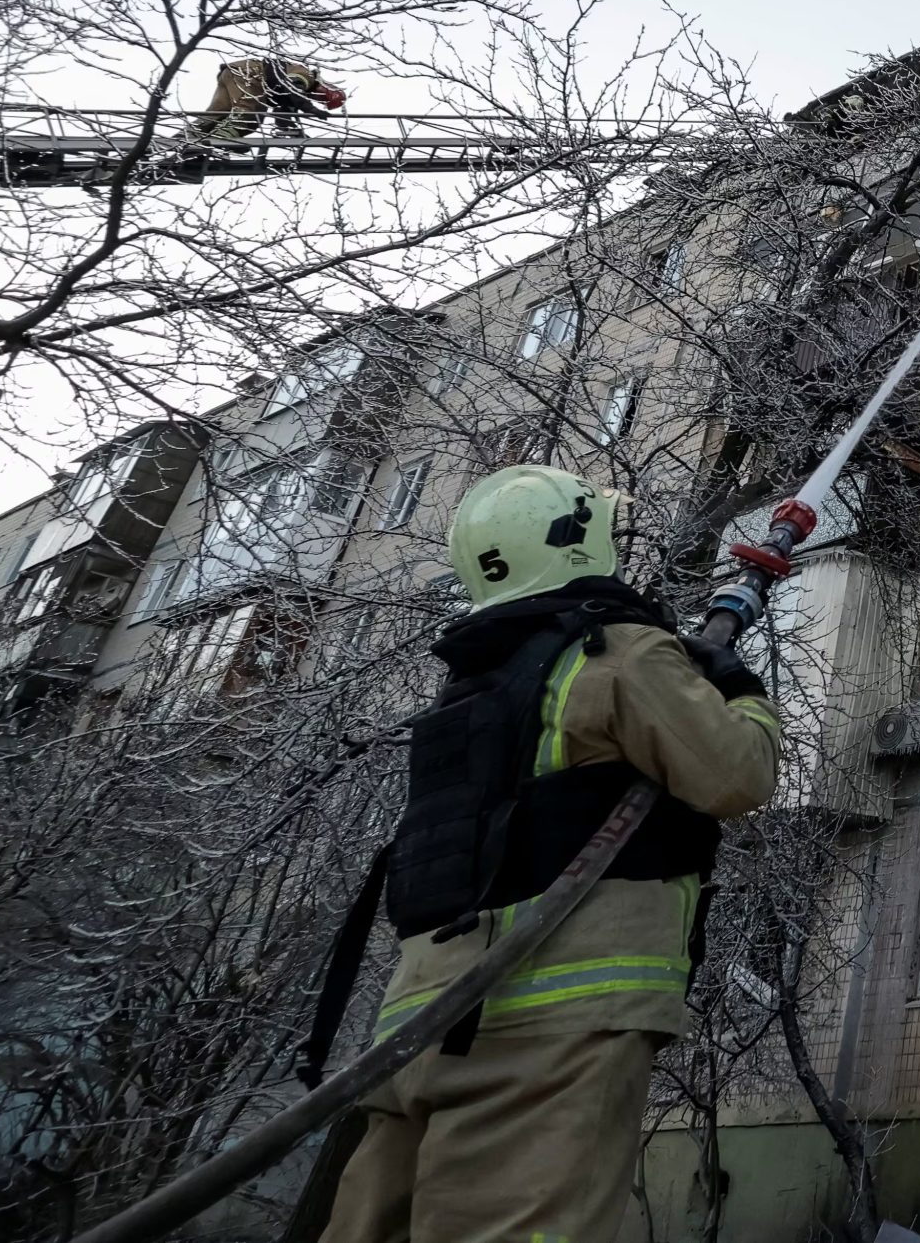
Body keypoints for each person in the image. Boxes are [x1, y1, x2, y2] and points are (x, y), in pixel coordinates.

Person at [318, 465, 781, 1243]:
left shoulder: (475, 687)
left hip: (421, 1021)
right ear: (577, 540)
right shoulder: (617, 651)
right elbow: (739, 774)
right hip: (554, 1023)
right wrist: (738, 688)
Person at [188, 56, 348, 141]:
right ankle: (222, 139)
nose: (317, 99)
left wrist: (294, 133)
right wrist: (311, 110)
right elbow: (292, 86)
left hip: (233, 73)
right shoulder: (304, 75)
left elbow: (283, 116)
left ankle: (188, 137)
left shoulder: (293, 95)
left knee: (218, 112)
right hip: (251, 75)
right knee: (250, 115)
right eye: (322, 99)